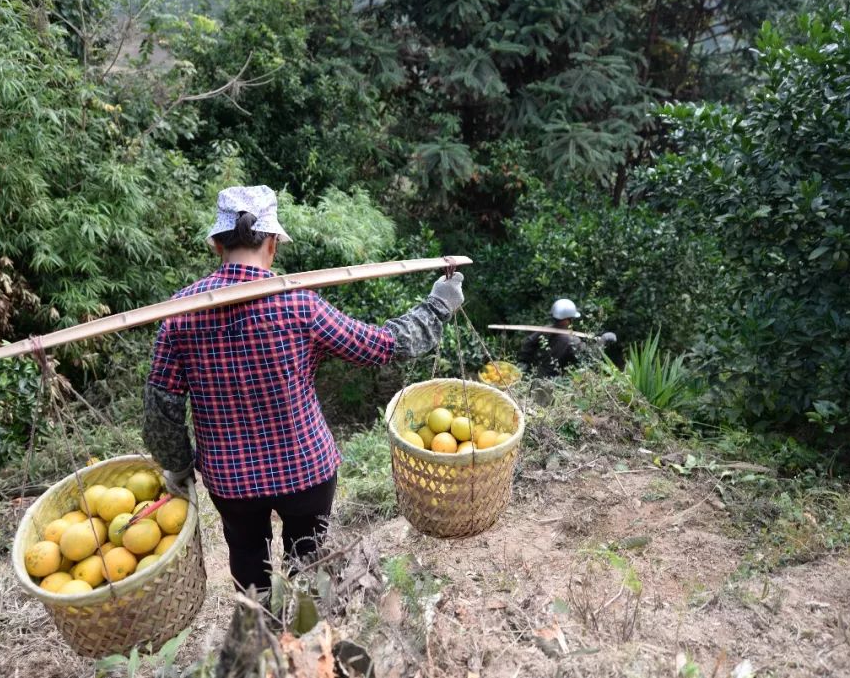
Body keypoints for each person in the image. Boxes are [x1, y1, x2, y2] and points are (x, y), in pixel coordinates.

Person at [141, 185, 464, 596]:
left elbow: (161, 408)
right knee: (309, 570)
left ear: (217, 245)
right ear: (272, 243)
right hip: (304, 472)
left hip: (230, 480)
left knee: (247, 565)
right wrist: (437, 306)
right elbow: (383, 345)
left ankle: (261, 642)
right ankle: (306, 646)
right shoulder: (299, 305)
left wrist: (178, 463)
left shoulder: (180, 313)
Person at [517, 298, 586, 377]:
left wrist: (524, 362)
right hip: (556, 381)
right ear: (567, 320)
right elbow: (583, 360)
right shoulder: (573, 340)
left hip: (536, 375)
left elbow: (528, 343)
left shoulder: (545, 329)